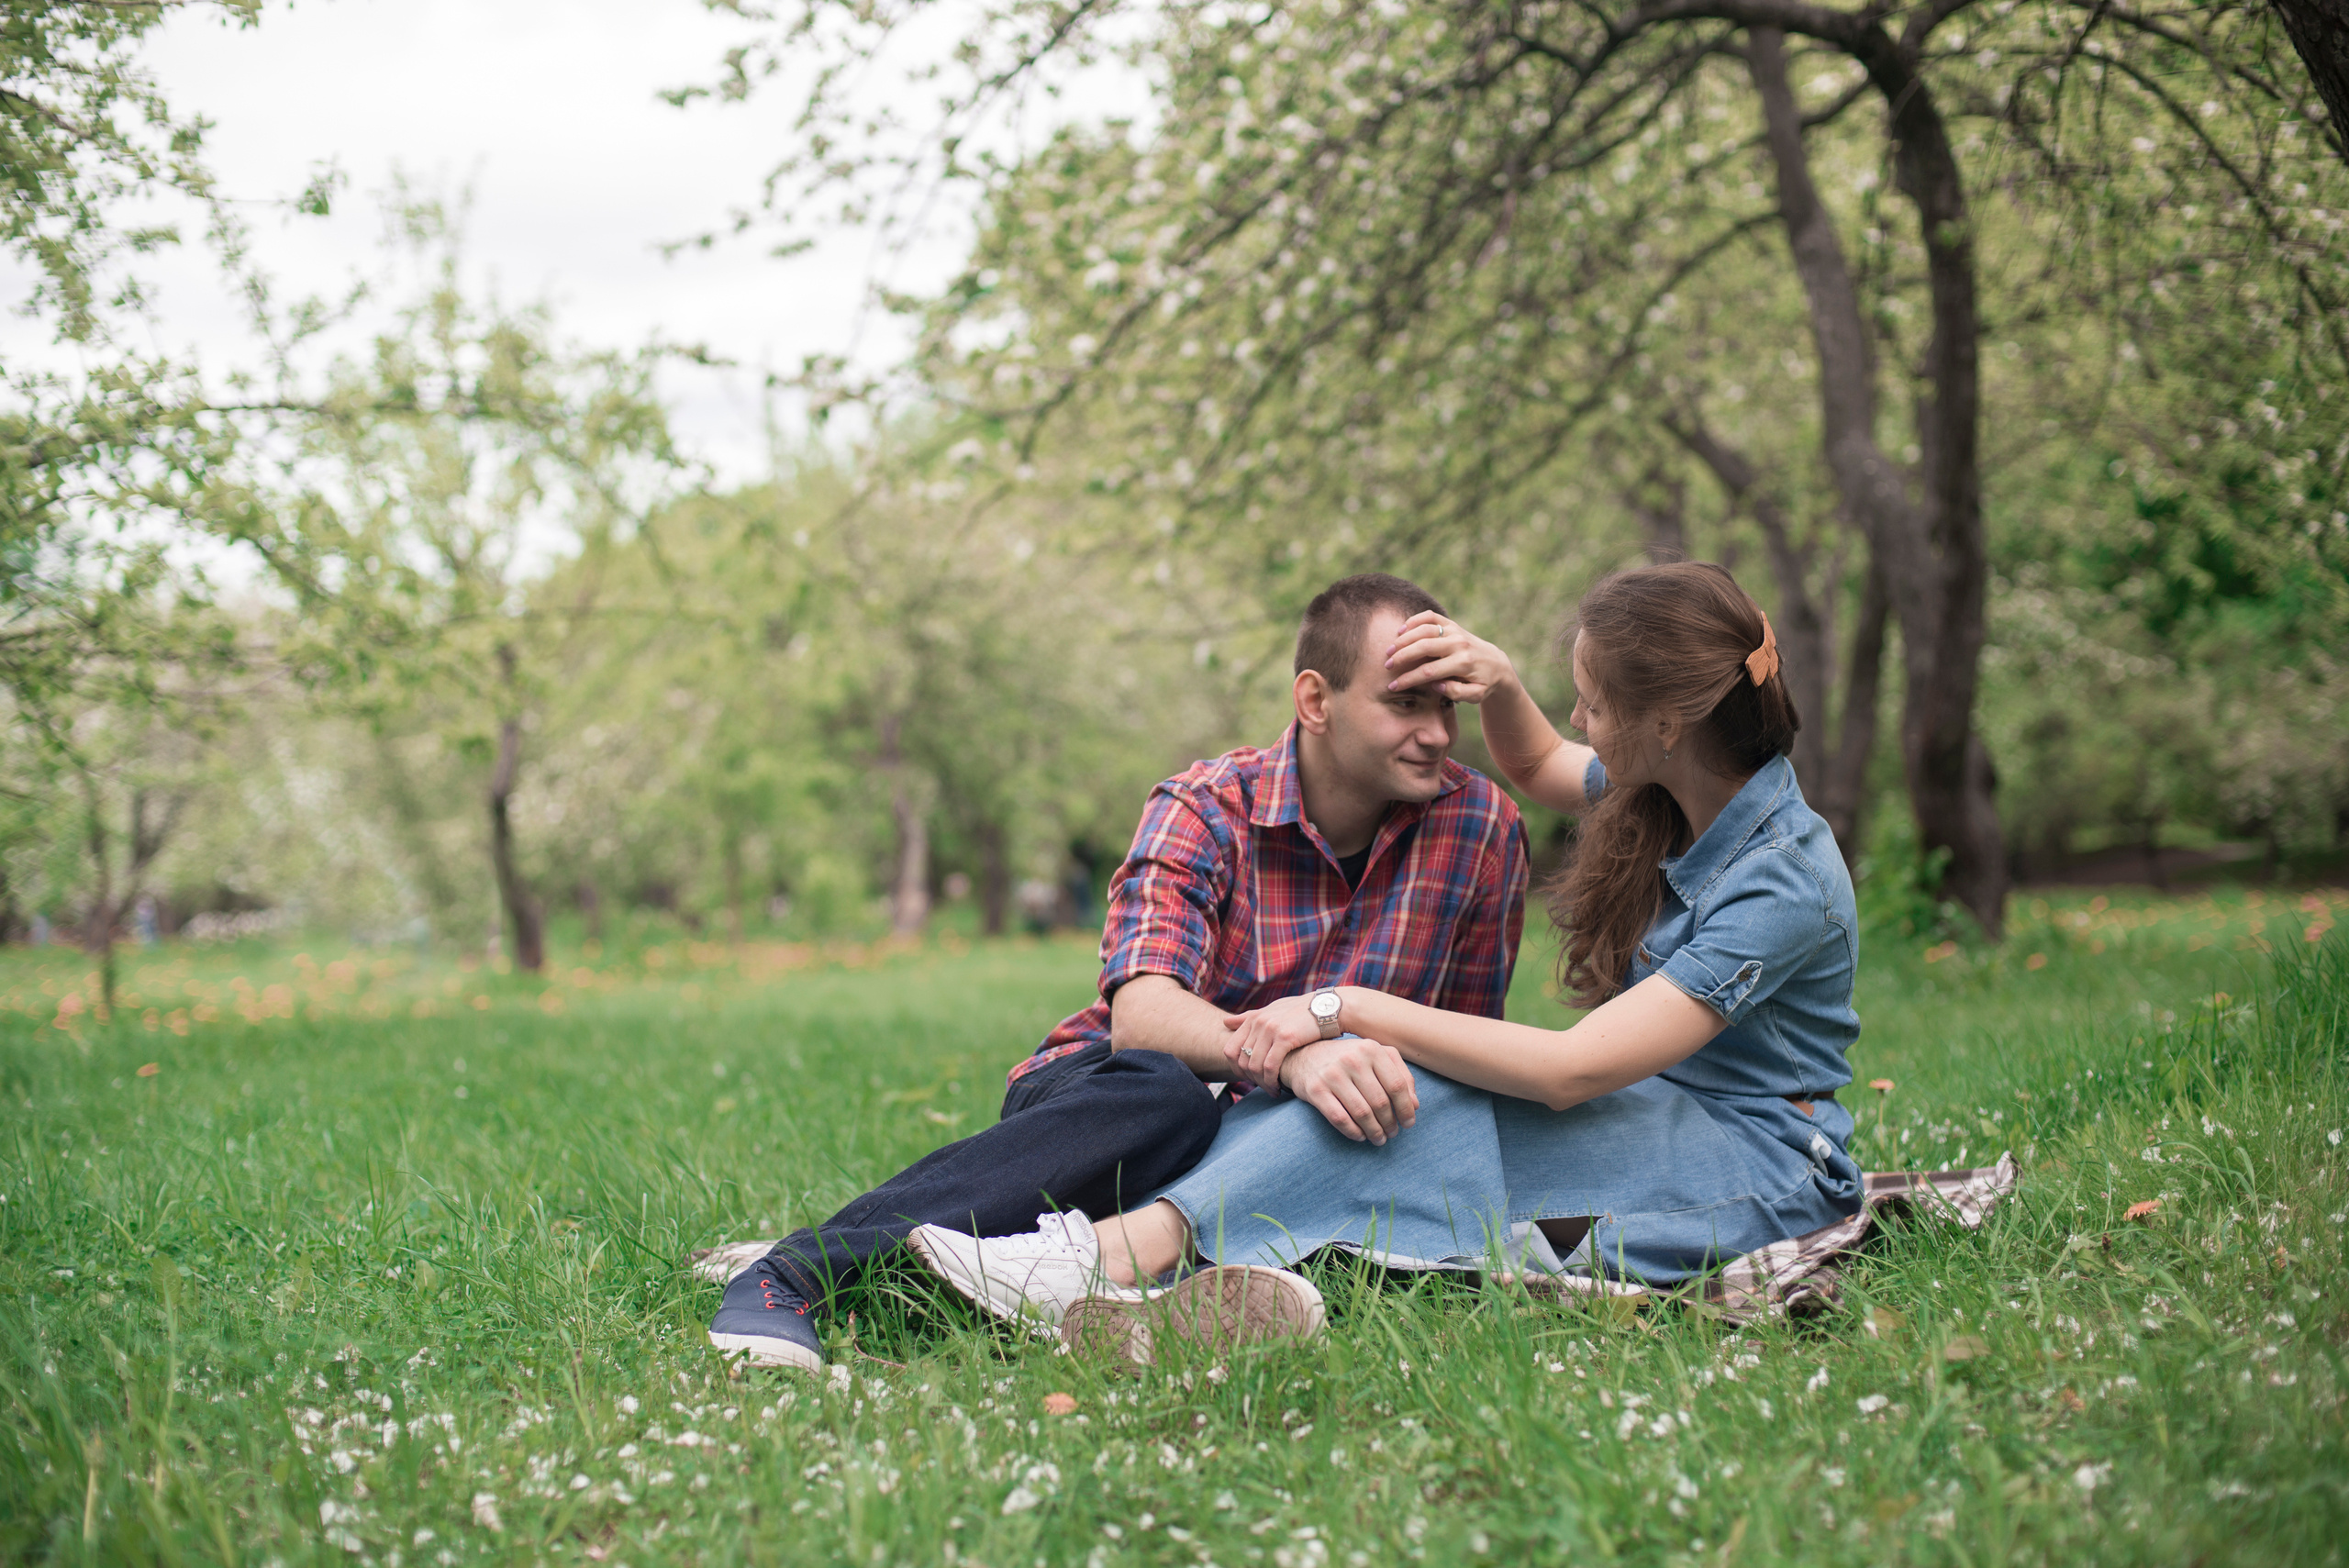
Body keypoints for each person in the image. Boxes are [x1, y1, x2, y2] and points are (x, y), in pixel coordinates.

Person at [912, 562, 1864, 1357]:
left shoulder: (1783, 877)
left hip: (1765, 1154)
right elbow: (1538, 764)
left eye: (1592, 700)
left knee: (1420, 1112)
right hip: (1669, 1112)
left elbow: (1574, 1069)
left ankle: (1098, 1261)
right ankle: (1143, 1283)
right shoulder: (1681, 771)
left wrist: (1341, 1007)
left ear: (1666, 722)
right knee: (1402, 1111)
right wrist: (1494, 682)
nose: (1576, 715)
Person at [708, 573, 1531, 1373]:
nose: (1436, 733)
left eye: (1446, 705)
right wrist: (1295, 1050)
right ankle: (795, 1270)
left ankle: (1091, 1283)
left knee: (1388, 1147)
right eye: (1405, 702)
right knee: (1168, 1093)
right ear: (1316, 701)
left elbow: (1463, 1053)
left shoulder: (1481, 828)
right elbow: (1144, 1016)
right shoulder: (1204, 806)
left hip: (1303, 1144)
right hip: (1118, 1112)